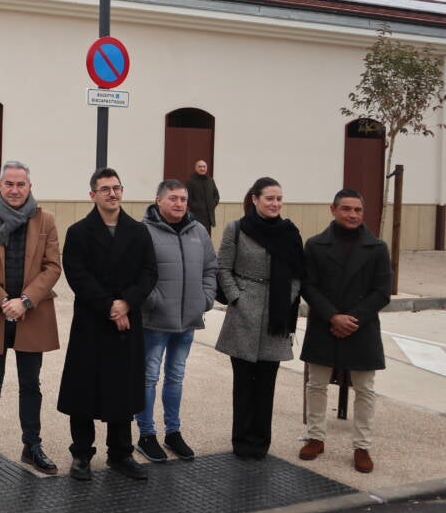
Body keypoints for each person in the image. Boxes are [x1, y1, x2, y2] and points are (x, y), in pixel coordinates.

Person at [0, 161, 63, 477]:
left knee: (30, 384)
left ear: (29, 186)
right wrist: (4, 301)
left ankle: (32, 446)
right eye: (9, 184)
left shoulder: (45, 220)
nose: (15, 190)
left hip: (31, 315)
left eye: (21, 184)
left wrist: (26, 301)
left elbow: (53, 267)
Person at [57, 168, 158, 481]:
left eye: (116, 188)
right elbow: (77, 274)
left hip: (126, 324)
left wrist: (127, 302)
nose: (112, 194)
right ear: (93, 195)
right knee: (84, 392)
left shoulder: (139, 231)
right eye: (105, 189)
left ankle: (121, 453)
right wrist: (110, 306)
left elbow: (149, 272)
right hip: (92, 321)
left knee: (122, 389)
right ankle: (82, 455)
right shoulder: (79, 232)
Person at [299, 189, 391, 474]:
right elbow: (308, 286)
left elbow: (382, 292)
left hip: (361, 327)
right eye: (346, 209)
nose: (352, 215)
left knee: (365, 389)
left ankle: (362, 446)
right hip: (324, 324)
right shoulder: (314, 245)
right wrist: (332, 316)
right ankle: (316, 437)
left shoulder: (377, 248)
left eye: (358, 210)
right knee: (316, 384)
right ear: (333, 210)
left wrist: (352, 319)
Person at [213, 176, 304, 460]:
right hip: (243, 312)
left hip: (276, 316)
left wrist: (284, 299)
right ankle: (241, 440)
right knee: (243, 384)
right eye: (269, 198)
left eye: (279, 199)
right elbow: (223, 268)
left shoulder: (290, 232)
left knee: (267, 384)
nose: (275, 203)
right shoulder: (236, 229)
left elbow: (298, 274)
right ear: (255, 199)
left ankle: (260, 441)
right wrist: (237, 298)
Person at [135, 180, 217, 464]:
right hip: (156, 321)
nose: (179, 204)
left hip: (188, 321)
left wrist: (205, 298)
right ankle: (146, 434)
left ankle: (173, 431)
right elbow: (136, 273)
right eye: (173, 198)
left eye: (183, 199)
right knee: (148, 377)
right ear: (158, 200)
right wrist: (153, 301)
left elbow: (210, 268)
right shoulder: (143, 231)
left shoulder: (199, 232)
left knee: (176, 377)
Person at [185, 159, 220, 235]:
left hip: (209, 218)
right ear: (196, 168)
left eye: (204, 166)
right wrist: (197, 207)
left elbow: (216, 195)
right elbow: (187, 198)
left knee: (207, 239)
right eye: (200, 166)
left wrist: (213, 204)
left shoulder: (210, 180)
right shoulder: (190, 182)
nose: (202, 168)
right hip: (196, 218)